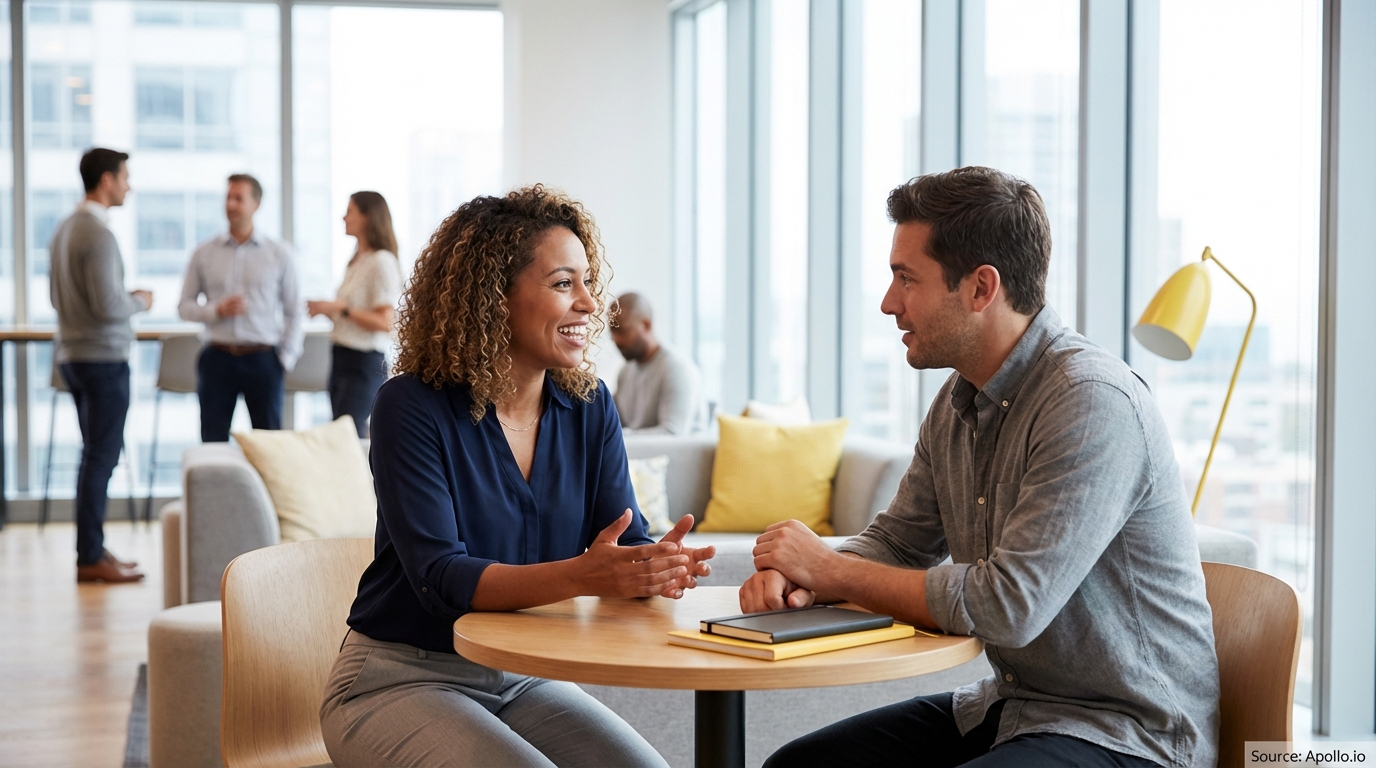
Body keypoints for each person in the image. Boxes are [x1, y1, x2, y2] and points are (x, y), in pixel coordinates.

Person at [743, 167, 1220, 768]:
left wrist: (832, 572)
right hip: (1012, 707)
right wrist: (801, 580)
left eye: (905, 279)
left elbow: (1007, 607)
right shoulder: (957, 399)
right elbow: (898, 540)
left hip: (1132, 732)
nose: (890, 303)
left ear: (980, 288)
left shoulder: (1092, 401)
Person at [319, 185, 716, 768]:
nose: (589, 303)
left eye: (587, 281)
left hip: (521, 675)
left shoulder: (589, 407)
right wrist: (584, 575)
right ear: (493, 298)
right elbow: (442, 579)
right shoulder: (410, 407)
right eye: (563, 283)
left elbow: (622, 538)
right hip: (397, 678)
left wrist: (653, 565)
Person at [49, 148, 153, 583]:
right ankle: (90, 557)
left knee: (93, 458)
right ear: (107, 180)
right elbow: (109, 304)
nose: (129, 185)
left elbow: (59, 299)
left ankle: (92, 549)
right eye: (125, 177)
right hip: (103, 359)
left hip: (73, 355)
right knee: (100, 459)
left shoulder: (64, 229)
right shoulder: (99, 234)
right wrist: (140, 301)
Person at [178, 174, 303, 442]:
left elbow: (294, 310)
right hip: (216, 359)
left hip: (264, 359)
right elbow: (184, 306)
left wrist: (284, 360)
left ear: (256, 204)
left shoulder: (278, 253)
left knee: (269, 444)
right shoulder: (203, 253)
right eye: (228, 198)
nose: (231, 204)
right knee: (213, 441)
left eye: (239, 198)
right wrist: (216, 311)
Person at [306, 191, 403, 437]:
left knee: (346, 437)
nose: (344, 217)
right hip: (342, 357)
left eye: (350, 211)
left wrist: (342, 309)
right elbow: (351, 316)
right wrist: (329, 310)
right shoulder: (358, 259)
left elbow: (385, 322)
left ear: (368, 217)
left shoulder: (381, 261)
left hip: (363, 363)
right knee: (339, 434)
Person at [609, 292, 703, 434]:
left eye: (623, 331)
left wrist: (623, 438)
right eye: (612, 332)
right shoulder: (625, 370)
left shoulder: (676, 369)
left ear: (646, 325)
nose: (617, 340)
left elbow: (672, 434)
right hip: (636, 453)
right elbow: (613, 422)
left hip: (677, 456)